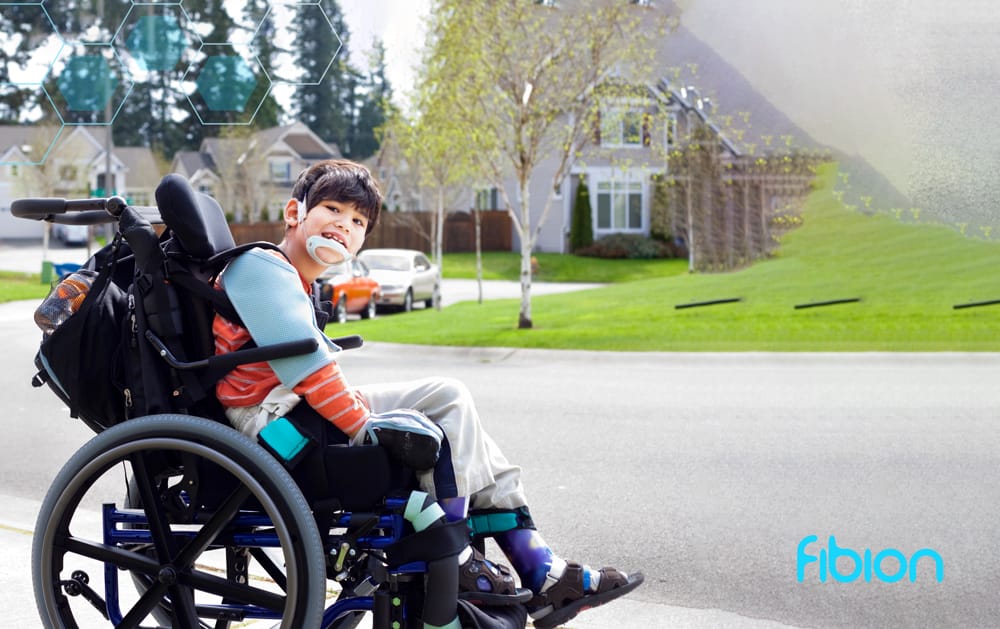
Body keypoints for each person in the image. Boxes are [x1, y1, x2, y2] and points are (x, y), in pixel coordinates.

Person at [212, 159, 642, 629]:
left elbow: (309, 375)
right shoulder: (260, 267)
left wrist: (362, 417)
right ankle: (459, 561)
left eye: (358, 222)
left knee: (447, 396)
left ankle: (537, 570)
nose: (345, 225)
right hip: (273, 425)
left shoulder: (297, 278)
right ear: (295, 213)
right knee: (431, 420)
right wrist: (367, 430)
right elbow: (310, 372)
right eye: (332, 209)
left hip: (294, 406)